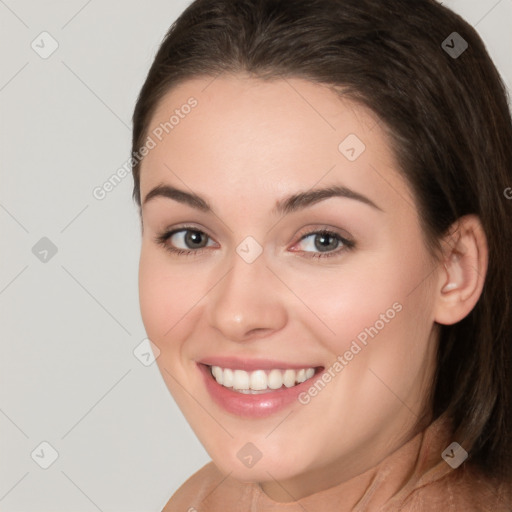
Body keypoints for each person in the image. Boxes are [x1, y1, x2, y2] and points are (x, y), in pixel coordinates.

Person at [130, 0, 512, 509]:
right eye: (192, 237)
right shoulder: (205, 501)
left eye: (321, 240)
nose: (238, 313)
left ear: (455, 270)